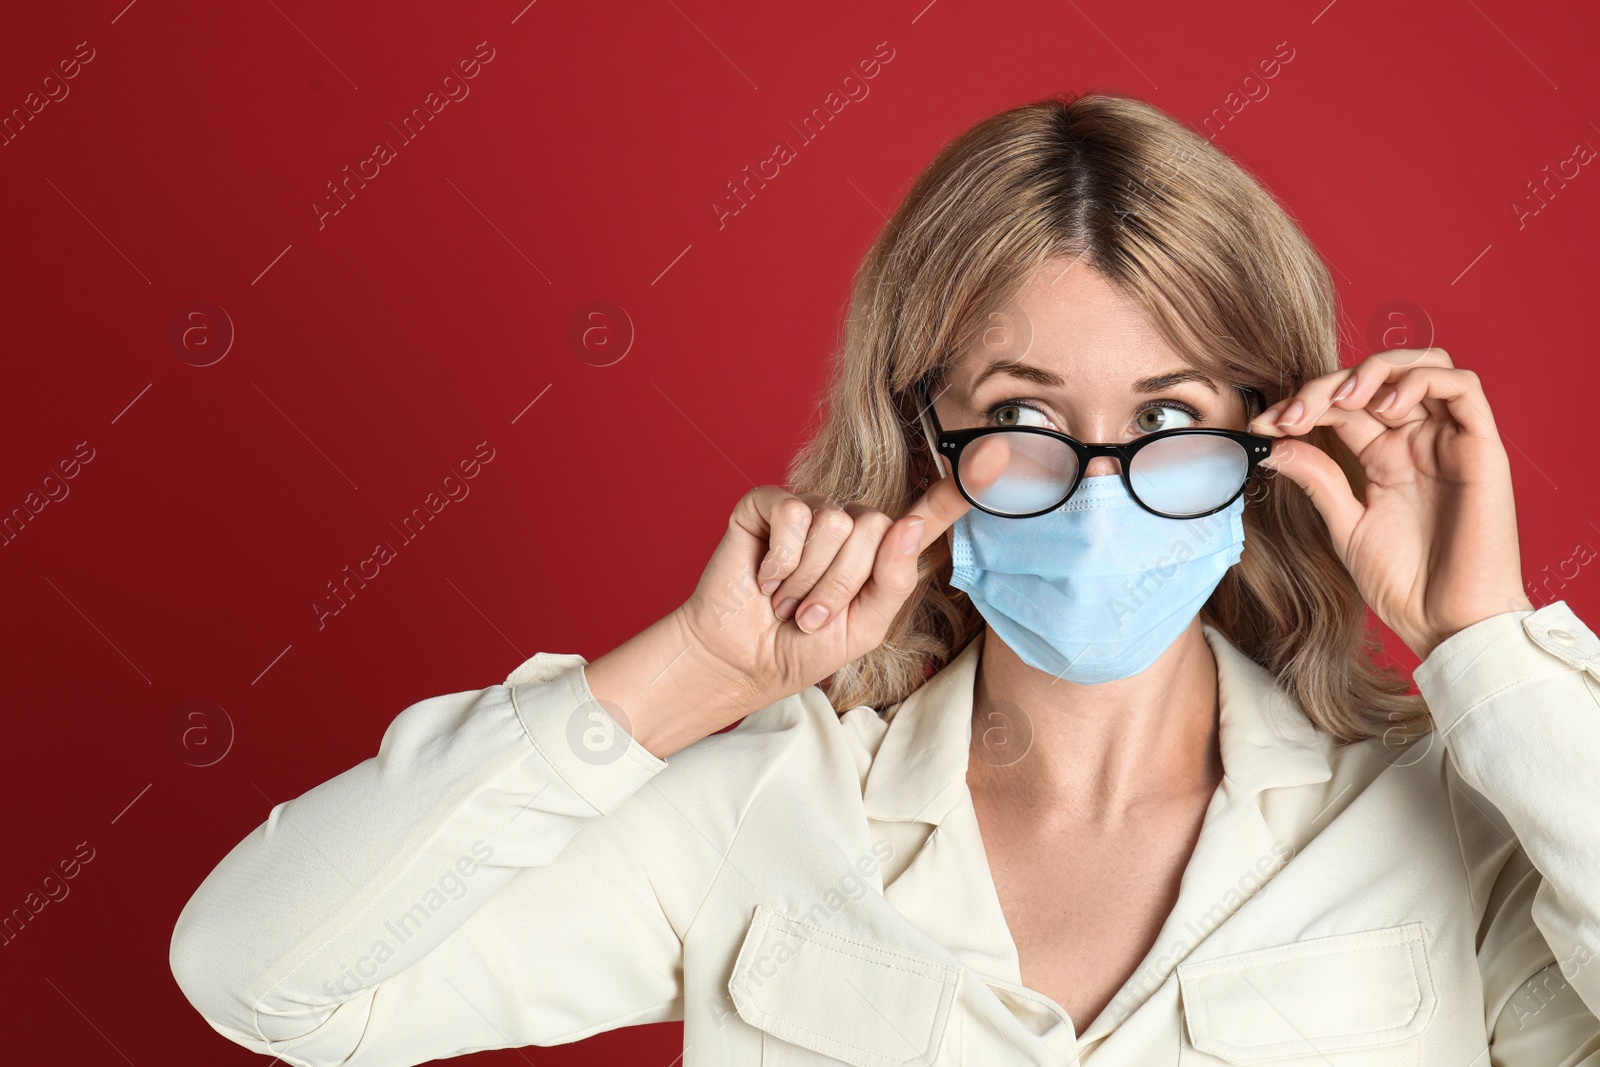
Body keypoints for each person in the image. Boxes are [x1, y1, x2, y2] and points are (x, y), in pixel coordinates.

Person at [169, 90, 1600, 1065]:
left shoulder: (1460, 827)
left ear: (1268, 440)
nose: (1099, 493)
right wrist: (690, 681)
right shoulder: (768, 812)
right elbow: (264, 979)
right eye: (1026, 421)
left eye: (1169, 423)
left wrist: (1483, 644)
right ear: (924, 435)